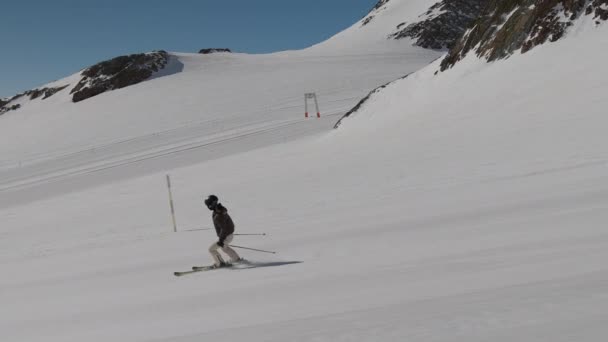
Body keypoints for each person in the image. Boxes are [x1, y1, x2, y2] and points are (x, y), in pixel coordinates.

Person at [204, 195, 242, 267]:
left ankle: (220, 263)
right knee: (224, 248)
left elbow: (223, 228)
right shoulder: (220, 210)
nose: (208, 206)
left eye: (208, 204)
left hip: (225, 236)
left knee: (211, 249)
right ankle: (236, 259)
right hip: (228, 235)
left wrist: (221, 240)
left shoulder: (218, 215)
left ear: (211, 204)